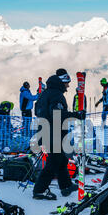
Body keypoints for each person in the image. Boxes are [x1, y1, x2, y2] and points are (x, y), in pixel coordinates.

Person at [33, 68, 86, 200]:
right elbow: (57, 114)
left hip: (45, 132)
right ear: (62, 82)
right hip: (54, 134)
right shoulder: (57, 95)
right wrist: (76, 115)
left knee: (61, 160)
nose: (68, 86)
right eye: (67, 83)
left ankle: (66, 186)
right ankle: (39, 190)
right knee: (53, 163)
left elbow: (37, 112)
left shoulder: (45, 94)